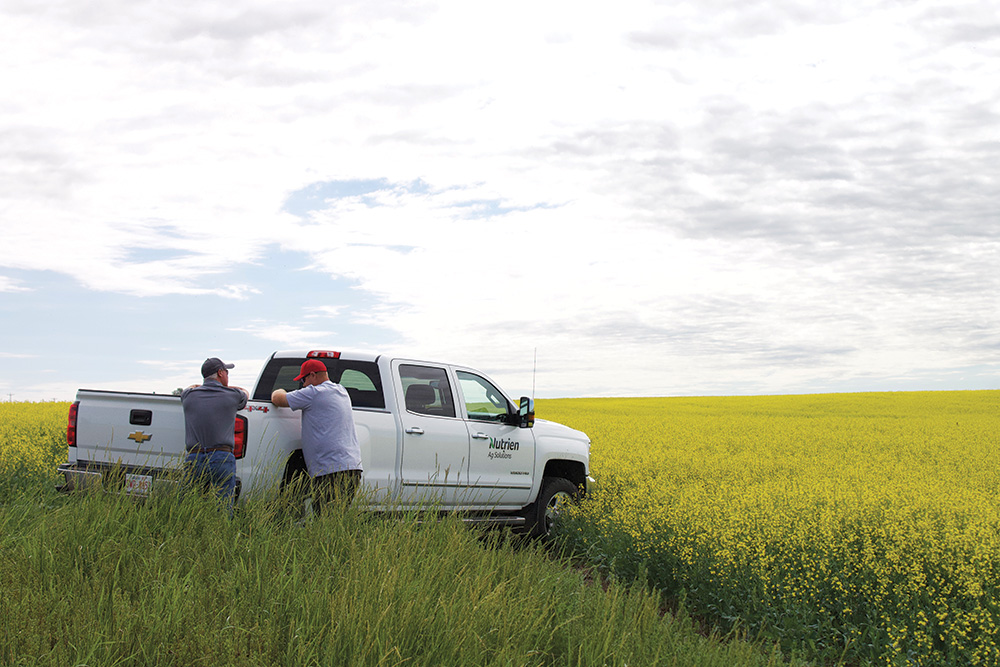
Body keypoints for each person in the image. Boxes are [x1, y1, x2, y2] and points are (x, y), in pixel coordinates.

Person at [271, 359, 363, 514]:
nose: (303, 385)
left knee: (325, 521)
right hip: (352, 468)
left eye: (303, 380)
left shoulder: (314, 393)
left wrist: (278, 389)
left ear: (312, 375)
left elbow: (278, 399)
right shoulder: (341, 391)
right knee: (335, 520)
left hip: (330, 471)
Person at [180, 357, 249, 509]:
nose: (227, 375)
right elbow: (245, 392)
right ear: (220, 373)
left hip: (194, 457)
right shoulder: (233, 395)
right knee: (223, 507)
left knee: (187, 507)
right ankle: (221, 530)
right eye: (226, 372)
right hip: (221, 457)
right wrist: (228, 387)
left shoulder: (188, 396)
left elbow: (189, 387)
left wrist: (200, 385)